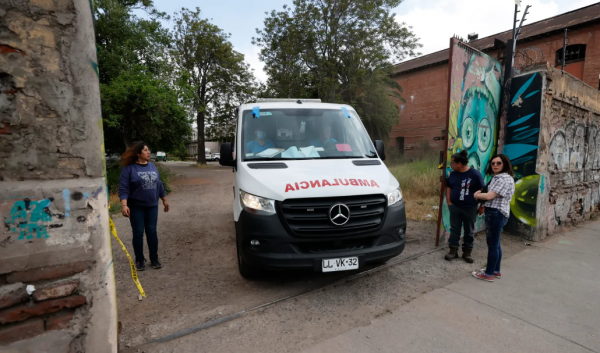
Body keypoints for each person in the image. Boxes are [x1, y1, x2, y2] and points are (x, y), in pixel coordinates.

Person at [118, 142, 170, 271]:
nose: (148, 152)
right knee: (138, 233)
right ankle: (140, 260)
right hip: (136, 207)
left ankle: (154, 258)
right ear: (138, 153)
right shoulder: (129, 168)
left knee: (152, 232)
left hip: (152, 206)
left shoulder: (152, 166)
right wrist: (124, 205)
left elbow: (159, 184)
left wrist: (164, 200)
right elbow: (124, 188)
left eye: (148, 150)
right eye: (146, 150)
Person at [472, 154, 515, 282]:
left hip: (496, 214)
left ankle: (488, 274)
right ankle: (495, 270)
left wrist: (477, 195)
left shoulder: (502, 178)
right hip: (498, 213)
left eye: (498, 163)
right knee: (496, 244)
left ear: (505, 164)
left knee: (492, 244)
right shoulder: (501, 177)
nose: (495, 165)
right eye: (493, 163)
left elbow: (490, 196)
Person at [444, 150, 485, 263]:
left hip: (470, 208)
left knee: (469, 230)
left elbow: (482, 190)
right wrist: (449, 202)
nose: (451, 165)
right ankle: (453, 251)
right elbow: (449, 187)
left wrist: (482, 206)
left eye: (452, 163)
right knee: (455, 229)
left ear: (459, 164)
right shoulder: (453, 174)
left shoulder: (475, 175)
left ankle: (467, 252)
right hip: (455, 207)